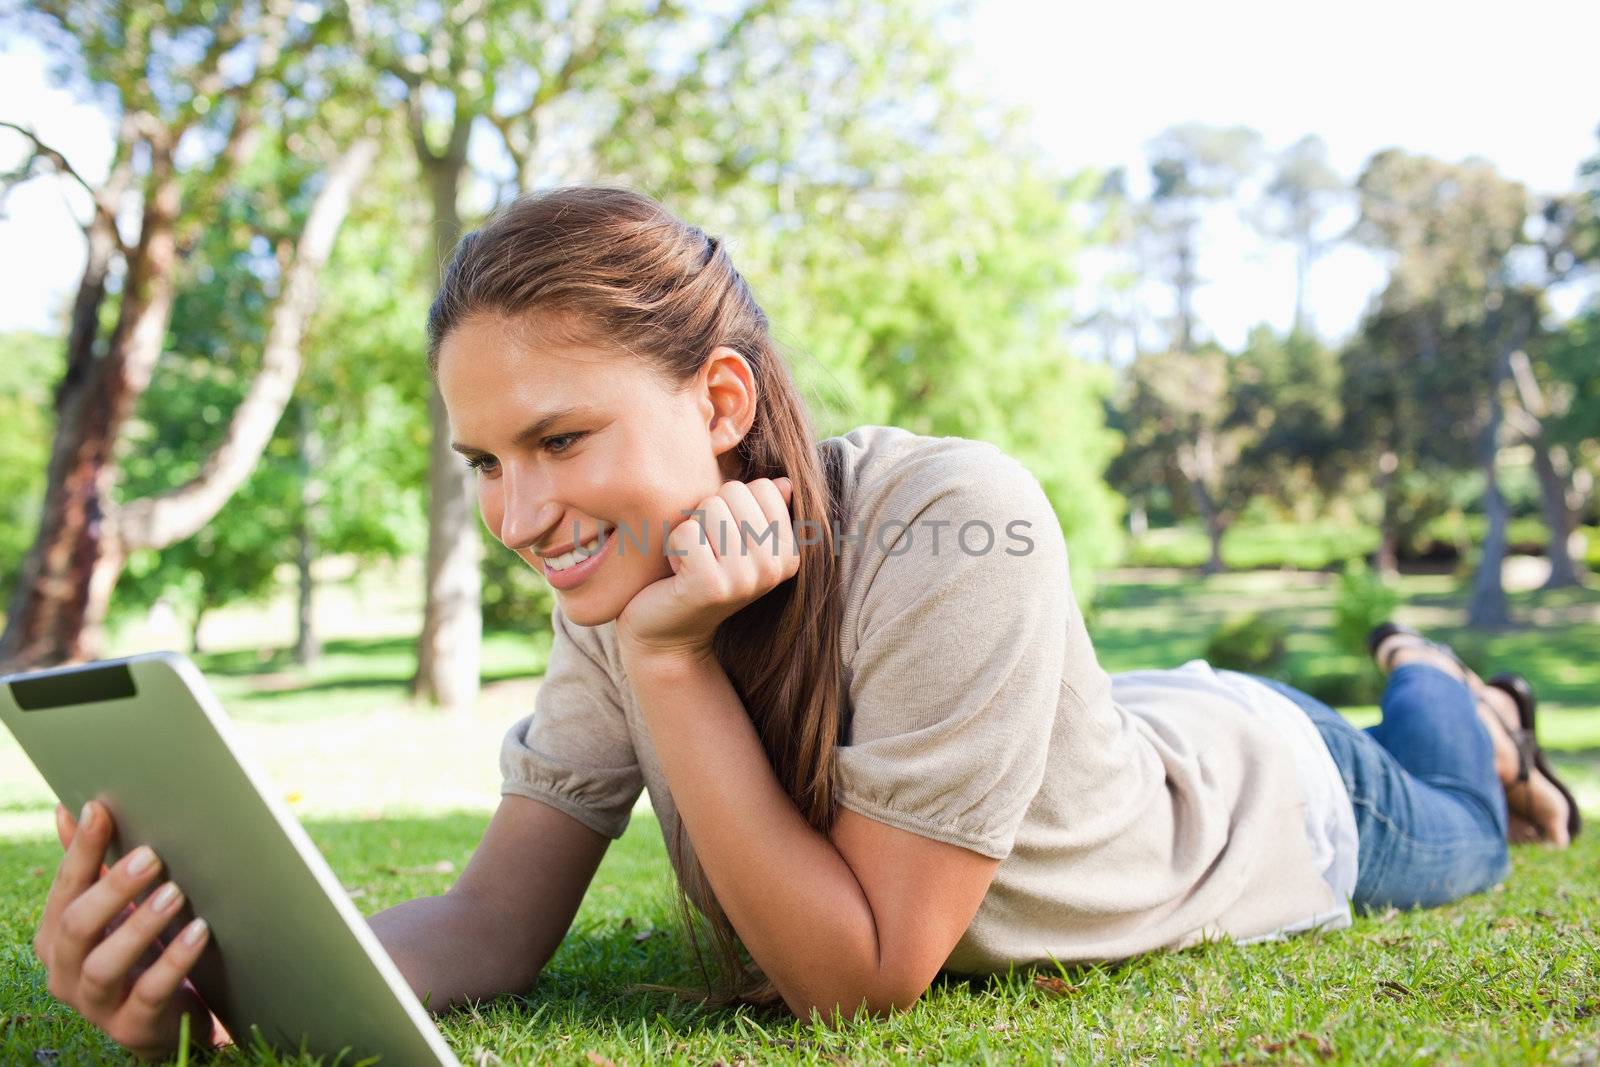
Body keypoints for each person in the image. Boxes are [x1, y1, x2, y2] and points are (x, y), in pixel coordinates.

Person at [29, 186, 1583, 1062]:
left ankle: (1451, 686)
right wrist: (216, 975)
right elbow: (497, 925)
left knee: (1463, 816)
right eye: (486, 463)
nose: (517, 516)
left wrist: (668, 661)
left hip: (1280, 797)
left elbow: (862, 977)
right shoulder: (621, 575)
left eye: (561, 442)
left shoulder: (955, 516)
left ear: (718, 402)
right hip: (1110, 720)